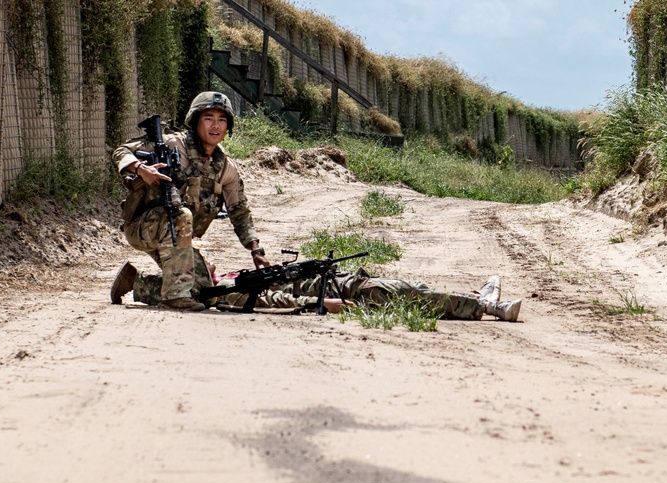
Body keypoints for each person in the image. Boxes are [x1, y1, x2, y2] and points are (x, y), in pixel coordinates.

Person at [110, 91, 270, 311]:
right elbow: (121, 151)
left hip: (178, 238)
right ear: (195, 122)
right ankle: (175, 297)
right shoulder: (173, 144)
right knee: (182, 218)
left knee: (205, 293)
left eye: (222, 120)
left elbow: (239, 211)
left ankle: (135, 281)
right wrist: (141, 169)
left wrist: (256, 250)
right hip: (143, 227)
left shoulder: (225, 169)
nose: (216, 126)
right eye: (209, 118)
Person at [115, 263, 522, 321]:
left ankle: (479, 300)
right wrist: (318, 303)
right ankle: (487, 305)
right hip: (338, 291)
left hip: (337, 280)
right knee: (400, 291)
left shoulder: (228, 283)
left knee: (408, 290)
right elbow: (275, 301)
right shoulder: (226, 294)